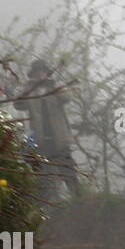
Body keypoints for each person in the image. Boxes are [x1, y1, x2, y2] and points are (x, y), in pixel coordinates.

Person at [13, 58, 80, 198]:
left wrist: (53, 86)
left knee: (68, 171)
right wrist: (27, 89)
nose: (40, 74)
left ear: (46, 73)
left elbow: (67, 98)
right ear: (33, 74)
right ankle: (55, 207)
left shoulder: (55, 87)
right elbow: (18, 105)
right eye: (37, 72)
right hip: (40, 138)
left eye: (42, 71)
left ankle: (78, 200)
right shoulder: (30, 91)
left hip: (59, 137)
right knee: (47, 174)